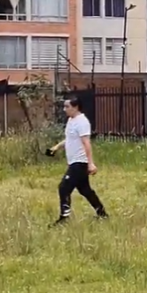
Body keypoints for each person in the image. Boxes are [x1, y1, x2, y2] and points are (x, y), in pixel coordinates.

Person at [47, 97, 108, 226]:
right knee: (85, 190)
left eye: (67, 107)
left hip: (79, 162)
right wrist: (56, 147)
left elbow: (86, 143)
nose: (65, 109)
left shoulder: (82, 122)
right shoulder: (71, 120)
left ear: (75, 107)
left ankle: (64, 218)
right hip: (73, 161)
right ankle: (102, 213)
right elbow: (69, 139)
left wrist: (90, 163)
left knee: (63, 188)